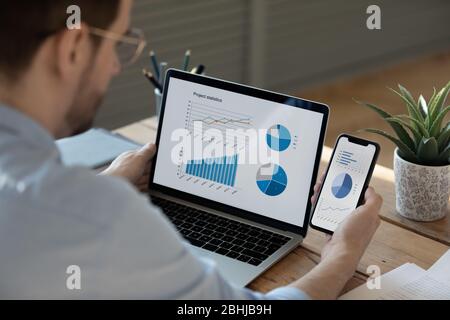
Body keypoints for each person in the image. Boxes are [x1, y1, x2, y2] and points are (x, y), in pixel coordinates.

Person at [0, 0, 382, 299]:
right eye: (118, 43)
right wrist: (343, 254)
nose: (115, 66)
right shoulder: (102, 221)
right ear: (73, 47)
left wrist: (107, 182)